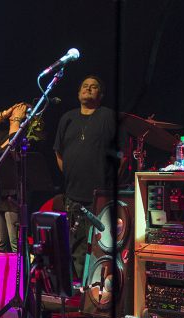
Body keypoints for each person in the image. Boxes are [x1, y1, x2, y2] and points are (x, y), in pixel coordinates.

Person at [53, 75, 118, 280]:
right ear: (78, 92)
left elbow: (122, 156)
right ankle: (77, 291)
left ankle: (93, 291)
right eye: (85, 85)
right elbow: (59, 153)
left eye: (94, 87)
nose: (88, 88)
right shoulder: (68, 118)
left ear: (101, 94)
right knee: (74, 248)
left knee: (97, 249)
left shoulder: (108, 116)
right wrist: (71, 173)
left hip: (100, 197)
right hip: (73, 195)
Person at [0, 102, 36, 252]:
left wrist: (16, 121)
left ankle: (20, 268)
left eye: (19, 112)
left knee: (16, 244)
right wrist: (5, 113)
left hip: (13, 198)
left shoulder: (27, 137)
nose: (15, 113)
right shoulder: (2, 135)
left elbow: (14, 145)